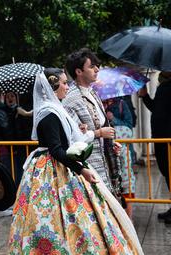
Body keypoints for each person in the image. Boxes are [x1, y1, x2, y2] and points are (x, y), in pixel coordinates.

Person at [9, 72, 143, 254]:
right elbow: (56, 150)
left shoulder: (55, 109)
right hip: (52, 170)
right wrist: (82, 170)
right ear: (52, 87)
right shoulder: (49, 112)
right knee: (56, 216)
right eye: (64, 83)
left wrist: (80, 133)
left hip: (61, 165)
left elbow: (64, 141)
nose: (67, 87)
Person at [62, 48, 122, 196]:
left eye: (97, 66)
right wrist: (99, 133)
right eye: (91, 66)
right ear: (78, 72)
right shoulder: (71, 98)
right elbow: (73, 136)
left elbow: (102, 124)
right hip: (89, 164)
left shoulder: (92, 91)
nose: (97, 69)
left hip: (105, 160)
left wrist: (110, 142)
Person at [138, 71, 171, 223]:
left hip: (167, 140)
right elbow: (157, 110)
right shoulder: (163, 87)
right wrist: (145, 96)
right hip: (161, 139)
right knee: (167, 172)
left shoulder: (166, 88)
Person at [105, 97, 136, 218]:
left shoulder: (122, 104)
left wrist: (113, 119)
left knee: (126, 182)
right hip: (107, 153)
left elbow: (129, 126)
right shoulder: (97, 103)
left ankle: (129, 219)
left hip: (124, 153)